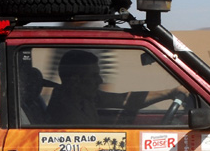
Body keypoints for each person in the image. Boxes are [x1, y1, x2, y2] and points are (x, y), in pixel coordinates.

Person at [46, 49, 185, 125]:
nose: (100, 80)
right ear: (75, 80)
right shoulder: (67, 114)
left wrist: (170, 93)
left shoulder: (82, 96)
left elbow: (126, 100)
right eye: (93, 76)